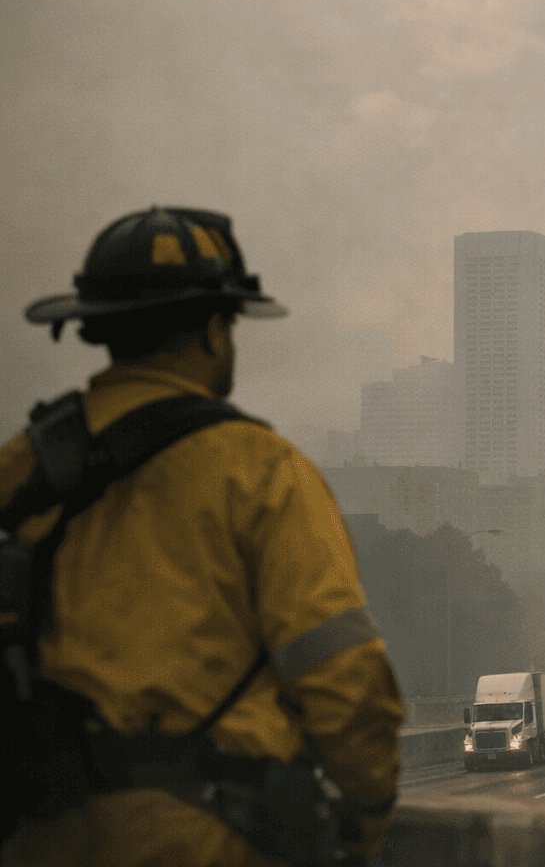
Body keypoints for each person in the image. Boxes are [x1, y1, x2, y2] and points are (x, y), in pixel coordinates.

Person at [2, 207, 402, 866]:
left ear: (102, 328)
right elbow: (342, 674)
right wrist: (365, 812)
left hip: (40, 835)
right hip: (205, 840)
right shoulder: (261, 471)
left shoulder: (23, 468)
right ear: (216, 331)